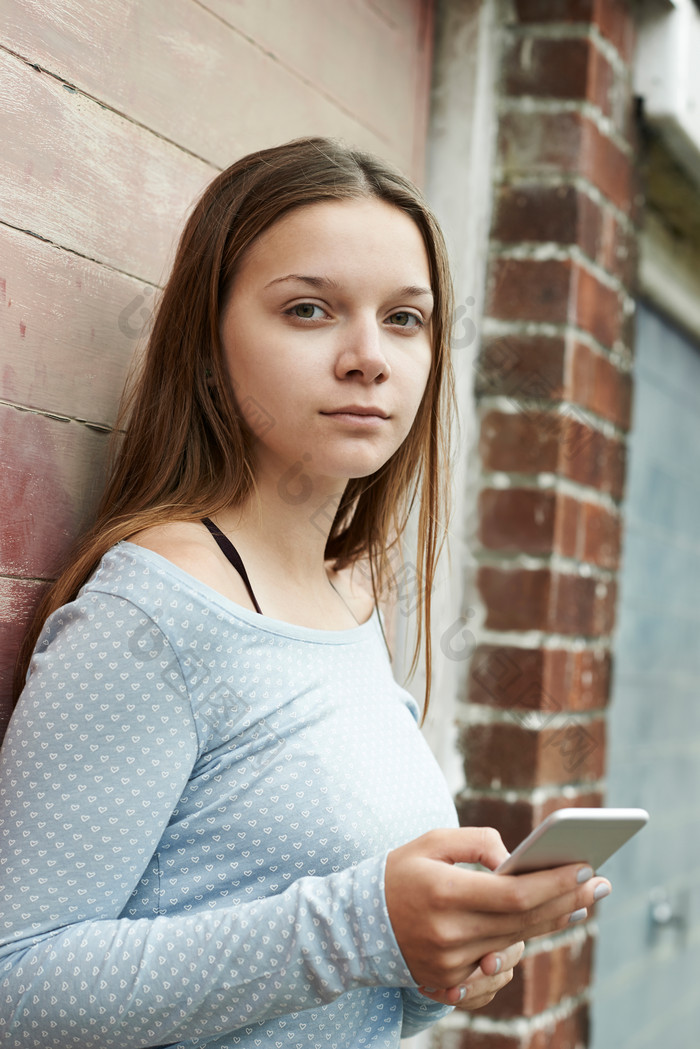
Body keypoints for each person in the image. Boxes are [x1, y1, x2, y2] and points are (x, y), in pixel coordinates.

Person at [0, 137, 611, 1049]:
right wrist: (360, 926)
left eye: (405, 319)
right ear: (209, 341)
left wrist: (435, 954)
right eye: (310, 309)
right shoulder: (153, 614)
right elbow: (16, 983)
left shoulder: (350, 593)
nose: (369, 357)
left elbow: (340, 988)